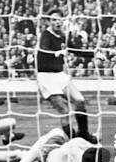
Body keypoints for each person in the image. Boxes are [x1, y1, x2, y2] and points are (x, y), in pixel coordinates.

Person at [36, 9, 97, 143]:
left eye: (59, 20)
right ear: (48, 21)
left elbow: (75, 50)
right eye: (53, 20)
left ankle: (84, 133)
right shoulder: (46, 35)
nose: (57, 22)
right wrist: (55, 53)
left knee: (79, 100)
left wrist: (94, 54)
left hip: (59, 75)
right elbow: (44, 49)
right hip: (46, 77)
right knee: (64, 110)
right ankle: (72, 139)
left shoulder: (63, 36)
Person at [3, 128, 109, 162]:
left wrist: (97, 140)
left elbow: (86, 144)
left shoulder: (76, 144)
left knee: (56, 132)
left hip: (48, 155)